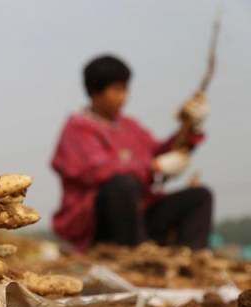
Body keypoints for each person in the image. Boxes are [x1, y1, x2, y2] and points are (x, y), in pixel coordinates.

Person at [50, 54, 212, 252]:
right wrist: (154, 167)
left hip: (140, 216)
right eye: (117, 90)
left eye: (125, 89)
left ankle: (189, 259)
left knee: (200, 197)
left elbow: (159, 151)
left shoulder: (129, 127)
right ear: (95, 92)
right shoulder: (77, 128)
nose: (123, 96)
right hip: (96, 224)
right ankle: (134, 255)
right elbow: (99, 170)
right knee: (121, 185)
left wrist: (190, 128)